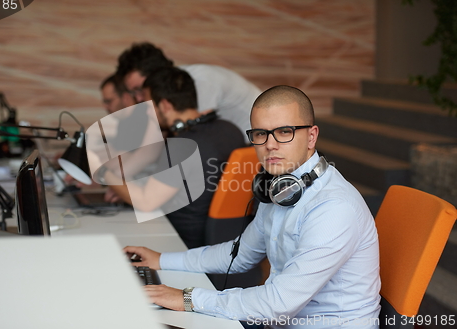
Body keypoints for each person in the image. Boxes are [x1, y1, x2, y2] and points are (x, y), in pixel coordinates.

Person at [124, 86, 381, 328]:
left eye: (284, 132)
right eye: (260, 134)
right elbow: (238, 255)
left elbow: (278, 303)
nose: (270, 144)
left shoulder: (333, 208)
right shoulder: (280, 189)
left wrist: (188, 298)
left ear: (311, 136)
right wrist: (160, 260)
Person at [101, 67, 245, 249]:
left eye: (147, 105)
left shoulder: (182, 145)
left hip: (181, 243)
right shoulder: (230, 130)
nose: (146, 113)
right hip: (226, 242)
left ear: (166, 106)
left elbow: (146, 201)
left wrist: (103, 172)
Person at [116, 42, 261, 138]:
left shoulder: (198, 82)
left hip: (262, 140)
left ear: (158, 75)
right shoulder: (178, 83)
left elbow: (194, 136)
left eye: (140, 90)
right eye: (133, 93)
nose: (139, 99)